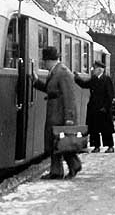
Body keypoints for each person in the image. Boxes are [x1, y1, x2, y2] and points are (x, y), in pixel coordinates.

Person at [32, 46, 82, 179]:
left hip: (60, 115)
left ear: (49, 61)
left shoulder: (63, 72)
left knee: (62, 143)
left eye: (45, 61)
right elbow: (52, 91)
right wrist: (36, 82)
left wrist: (69, 118)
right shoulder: (56, 71)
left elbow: (69, 96)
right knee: (55, 143)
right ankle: (57, 171)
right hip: (55, 113)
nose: (44, 64)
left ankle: (74, 165)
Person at [74, 61, 115, 153]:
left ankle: (110, 146)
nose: (93, 70)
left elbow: (110, 95)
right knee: (94, 129)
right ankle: (96, 146)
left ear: (100, 69)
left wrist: (106, 107)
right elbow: (84, 84)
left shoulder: (107, 79)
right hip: (93, 108)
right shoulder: (93, 79)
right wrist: (77, 78)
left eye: (94, 68)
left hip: (104, 109)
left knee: (106, 129)